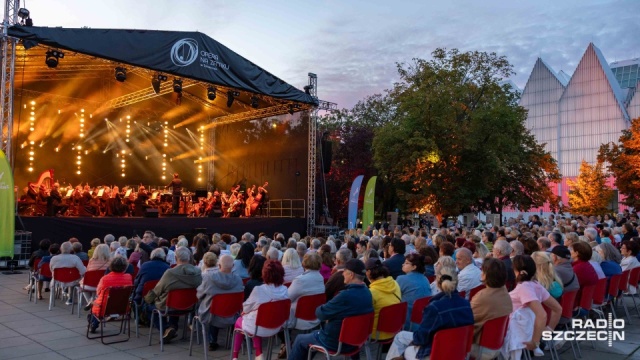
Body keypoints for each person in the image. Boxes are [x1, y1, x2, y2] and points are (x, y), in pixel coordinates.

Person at [288, 259, 373, 360]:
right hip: (357, 341)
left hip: (335, 342)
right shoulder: (368, 292)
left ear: (351, 275)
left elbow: (320, 313)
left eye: (344, 271)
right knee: (312, 338)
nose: (342, 274)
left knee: (300, 339)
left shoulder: (345, 296)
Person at [385, 265, 474, 360]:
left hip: (434, 353)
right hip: (458, 352)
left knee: (403, 341)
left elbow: (421, 338)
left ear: (438, 282)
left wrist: (412, 342)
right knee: (402, 336)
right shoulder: (466, 304)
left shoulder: (435, 307)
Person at [231, 260, 289, 360]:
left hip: (259, 327)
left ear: (264, 273)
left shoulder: (259, 290)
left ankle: (235, 356)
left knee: (240, 321)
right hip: (277, 326)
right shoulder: (284, 289)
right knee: (255, 319)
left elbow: (246, 307)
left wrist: (245, 311)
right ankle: (258, 353)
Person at [144, 247, 202, 343]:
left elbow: (157, 290)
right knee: (175, 300)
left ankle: (165, 329)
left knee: (149, 306)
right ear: (189, 257)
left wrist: (147, 299)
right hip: (190, 306)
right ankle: (172, 327)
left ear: (175, 257)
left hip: (170, 306)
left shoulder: (170, 273)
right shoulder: (198, 272)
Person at [509, 255, 562, 355]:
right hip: (520, 331)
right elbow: (557, 309)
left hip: (513, 333)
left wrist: (535, 341)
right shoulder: (535, 285)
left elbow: (542, 315)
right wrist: (549, 329)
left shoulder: (524, 288)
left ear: (515, 269)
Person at [277, 252, 326, 359]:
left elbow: (287, 298)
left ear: (304, 263)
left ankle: (286, 342)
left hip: (300, 318)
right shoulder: (320, 277)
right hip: (315, 316)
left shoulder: (300, 280)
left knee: (275, 314)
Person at [197, 254, 244, 351]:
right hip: (233, 315)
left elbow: (199, 295)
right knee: (217, 307)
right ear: (233, 266)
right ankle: (234, 337)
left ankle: (212, 341)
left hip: (212, 316)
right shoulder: (239, 280)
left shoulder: (208, 278)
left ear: (219, 265)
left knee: (210, 307)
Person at [470, 258, 513, 359]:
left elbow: (467, 320)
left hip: (481, 347)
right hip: (497, 345)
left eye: (482, 271)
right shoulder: (504, 292)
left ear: (486, 274)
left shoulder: (482, 296)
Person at [87, 255, 133, 333]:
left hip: (104, 308)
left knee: (94, 305)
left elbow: (98, 292)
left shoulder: (105, 278)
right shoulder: (128, 277)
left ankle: (93, 322)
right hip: (123, 307)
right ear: (125, 267)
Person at [366, 258, 402, 341]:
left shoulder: (372, 292)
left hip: (377, 334)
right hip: (395, 329)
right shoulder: (395, 283)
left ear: (368, 273)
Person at [397, 253, 431, 330]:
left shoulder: (401, 279)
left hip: (407, 321)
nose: (403, 264)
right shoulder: (425, 279)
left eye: (406, 263)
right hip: (422, 321)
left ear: (414, 267)